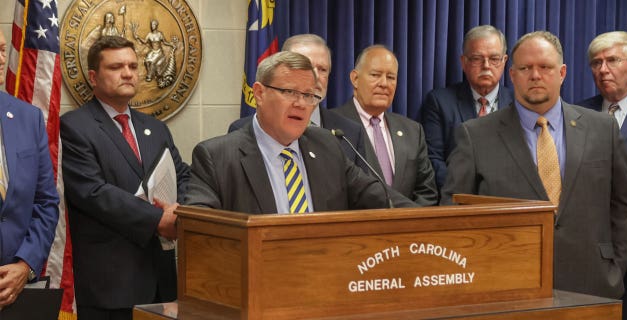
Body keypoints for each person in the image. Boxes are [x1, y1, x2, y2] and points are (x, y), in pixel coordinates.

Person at [442, 31, 627, 299]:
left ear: (562, 73)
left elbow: (624, 206)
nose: (535, 75)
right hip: (506, 286)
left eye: (545, 67)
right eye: (525, 68)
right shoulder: (475, 135)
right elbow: (454, 214)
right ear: (512, 75)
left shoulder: (603, 129)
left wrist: (614, 267)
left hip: (594, 284)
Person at [185, 51, 416, 213]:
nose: (301, 104)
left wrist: (437, 221)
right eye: (289, 92)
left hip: (323, 273)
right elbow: (201, 227)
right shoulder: (216, 157)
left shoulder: (327, 145)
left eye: (308, 95)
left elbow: (379, 197)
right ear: (259, 93)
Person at [60, 36, 190, 320]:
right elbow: (92, 192)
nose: (128, 73)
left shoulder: (155, 128)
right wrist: (158, 220)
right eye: (117, 66)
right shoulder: (73, 127)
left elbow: (181, 176)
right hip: (109, 285)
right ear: (94, 77)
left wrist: (183, 212)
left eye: (133, 65)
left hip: (162, 281)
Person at [228, 34, 368, 171]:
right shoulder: (241, 129)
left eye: (322, 69)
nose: (315, 77)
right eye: (305, 67)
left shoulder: (349, 133)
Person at [576, 31, 627, 319]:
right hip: (588, 248)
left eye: (612, 60)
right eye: (595, 63)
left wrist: (622, 209)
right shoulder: (578, 113)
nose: (603, 70)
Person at [333, 45, 438, 206]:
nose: (384, 84)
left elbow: (427, 192)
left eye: (391, 77)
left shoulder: (412, 131)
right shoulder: (332, 126)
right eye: (375, 75)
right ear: (355, 78)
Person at [0, 29, 59, 308]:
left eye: (2, 50)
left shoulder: (27, 117)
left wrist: (25, 264)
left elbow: (45, 202)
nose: (2, 59)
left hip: (16, 291)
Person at [420, 25, 513, 190]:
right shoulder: (439, 102)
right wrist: (468, 193)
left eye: (494, 59)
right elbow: (432, 159)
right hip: (458, 200)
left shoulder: (517, 104)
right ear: (464, 62)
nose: (486, 65)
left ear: (504, 61)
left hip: (507, 201)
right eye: (477, 58)